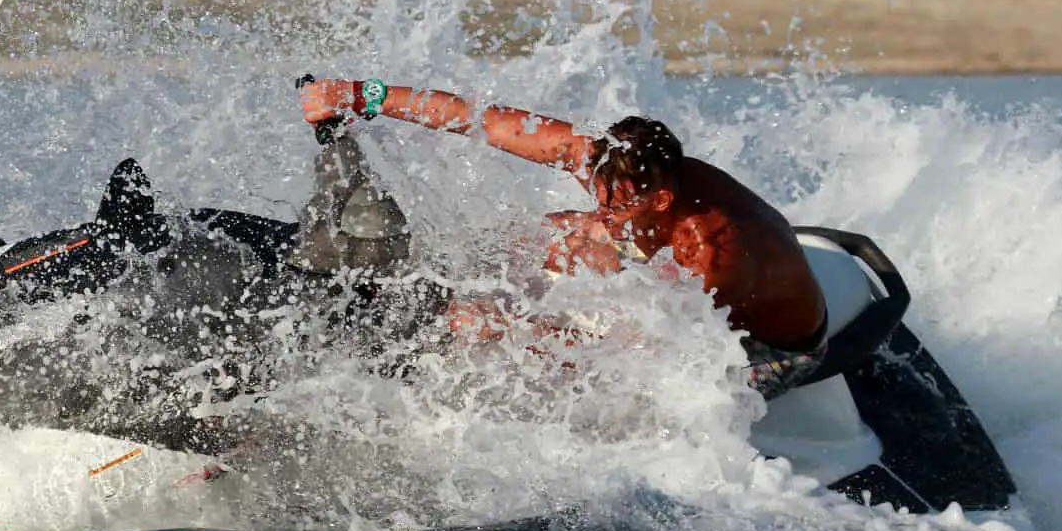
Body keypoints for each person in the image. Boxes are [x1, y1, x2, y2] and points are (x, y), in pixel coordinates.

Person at [298, 77, 830, 398]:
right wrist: (358, 95)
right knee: (541, 235)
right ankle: (421, 304)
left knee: (533, 337)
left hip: (767, 350)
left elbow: (652, 356)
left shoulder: (709, 252)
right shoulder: (608, 159)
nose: (603, 211)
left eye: (616, 207)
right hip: (679, 275)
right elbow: (475, 119)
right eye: (599, 193)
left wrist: (519, 329)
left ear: (661, 201)